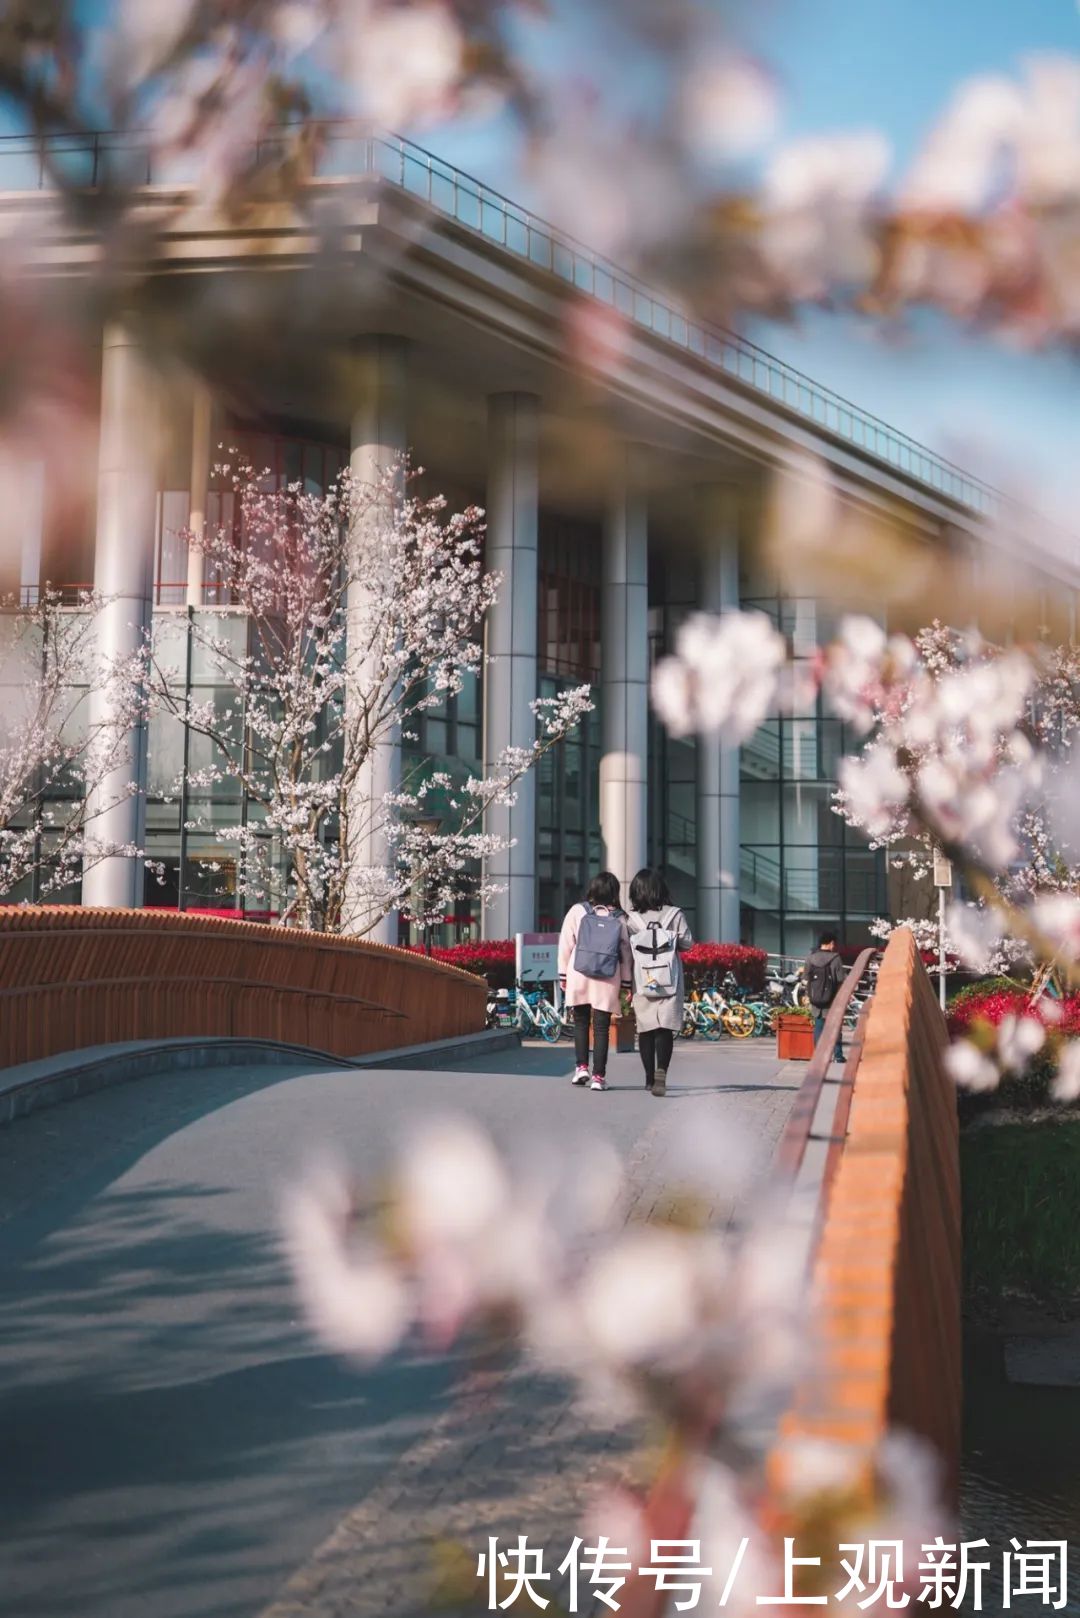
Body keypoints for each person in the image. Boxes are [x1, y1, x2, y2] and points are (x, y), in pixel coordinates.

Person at [558, 871, 632, 1092]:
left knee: (580, 1022)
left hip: (579, 973)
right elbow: (626, 953)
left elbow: (565, 943)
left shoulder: (577, 911)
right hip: (608, 977)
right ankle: (599, 1077)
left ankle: (581, 1067)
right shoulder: (619, 917)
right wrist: (627, 983)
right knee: (601, 1028)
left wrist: (563, 975)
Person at [626, 867, 692, 1098]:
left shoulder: (631, 919)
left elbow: (626, 951)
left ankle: (648, 1079)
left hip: (642, 980)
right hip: (669, 979)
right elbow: (687, 944)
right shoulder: (675, 914)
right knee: (664, 1028)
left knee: (646, 1029)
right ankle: (661, 1070)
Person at [805, 930, 846, 1065]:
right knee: (835, 1026)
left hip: (815, 999)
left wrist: (809, 994)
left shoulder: (811, 958)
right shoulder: (835, 958)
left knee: (818, 1026)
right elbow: (841, 979)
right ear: (831, 943)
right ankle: (838, 1055)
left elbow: (806, 978)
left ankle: (819, 1055)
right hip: (832, 998)